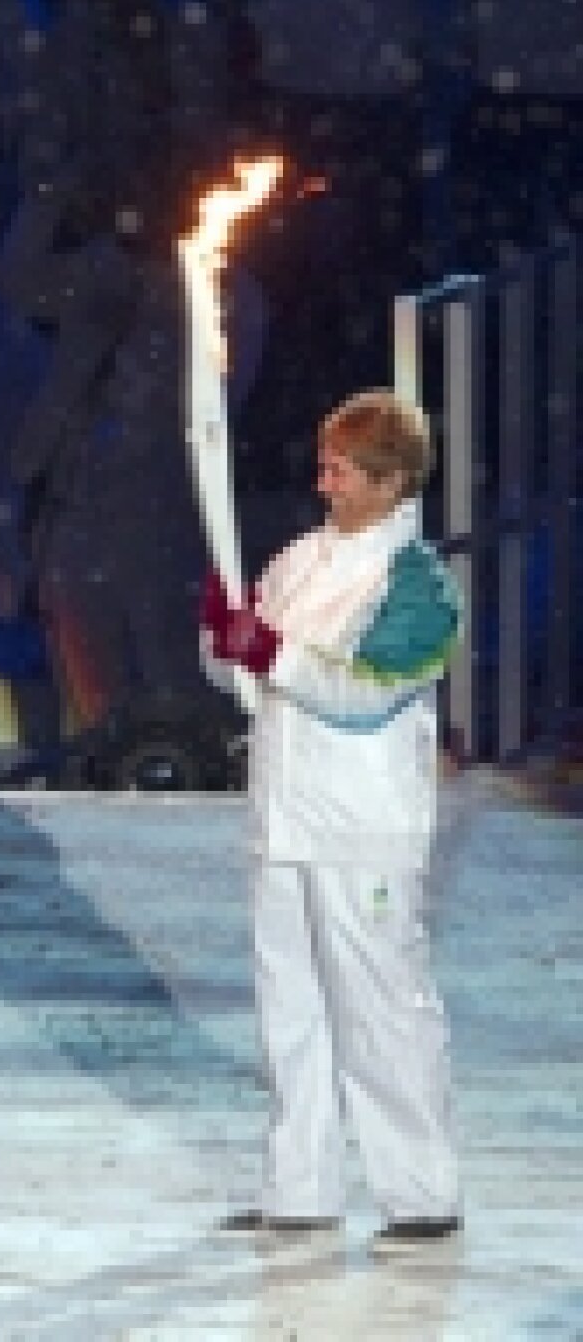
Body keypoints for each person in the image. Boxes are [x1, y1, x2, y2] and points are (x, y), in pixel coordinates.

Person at [201, 388, 463, 1253]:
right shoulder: (298, 561)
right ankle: (299, 1186)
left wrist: (268, 650)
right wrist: (222, 638)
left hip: (363, 827)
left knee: (380, 1005)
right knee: (291, 1008)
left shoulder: (420, 586)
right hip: (282, 815)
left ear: (390, 481)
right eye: (324, 463)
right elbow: (253, 684)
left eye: (340, 468)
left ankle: (419, 1189)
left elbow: (365, 694)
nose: (324, 481)